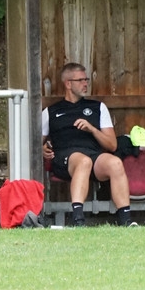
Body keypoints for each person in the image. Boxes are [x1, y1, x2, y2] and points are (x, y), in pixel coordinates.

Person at [42, 63, 133, 227]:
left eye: (86, 80)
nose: (85, 84)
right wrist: (42, 149)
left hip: (93, 156)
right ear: (68, 84)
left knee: (115, 163)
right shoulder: (51, 112)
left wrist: (92, 129)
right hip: (65, 158)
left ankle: (126, 221)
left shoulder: (98, 108)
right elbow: (35, 143)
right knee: (83, 161)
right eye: (80, 80)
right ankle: (78, 219)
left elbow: (112, 145)